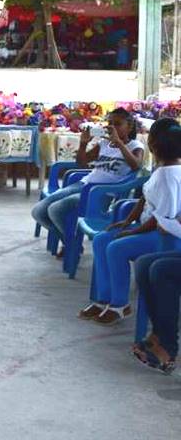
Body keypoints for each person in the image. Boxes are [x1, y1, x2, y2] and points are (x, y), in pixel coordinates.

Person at [79, 118, 181, 326]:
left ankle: (119, 304)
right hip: (148, 229)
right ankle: (103, 299)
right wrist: (127, 221)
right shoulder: (160, 170)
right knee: (101, 240)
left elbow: (162, 218)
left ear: (152, 146)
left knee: (116, 248)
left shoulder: (169, 176)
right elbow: (144, 197)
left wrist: (133, 233)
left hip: (165, 237)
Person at [31, 107, 143, 252]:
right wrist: (83, 143)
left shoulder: (135, 146)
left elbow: (136, 166)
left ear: (129, 126)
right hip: (84, 184)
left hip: (102, 193)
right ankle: (71, 243)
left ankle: (72, 246)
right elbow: (82, 163)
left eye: (118, 124)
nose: (112, 128)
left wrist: (120, 143)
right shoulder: (104, 144)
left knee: (55, 210)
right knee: (38, 211)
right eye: (110, 124)